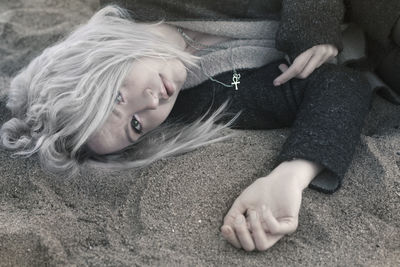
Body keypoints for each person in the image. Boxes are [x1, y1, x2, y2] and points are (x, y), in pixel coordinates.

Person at [0, 2, 372, 252]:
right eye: (135, 125)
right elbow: (340, 86)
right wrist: (289, 176)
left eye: (116, 96)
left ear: (100, 59)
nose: (150, 104)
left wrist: (313, 22)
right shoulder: (206, 97)